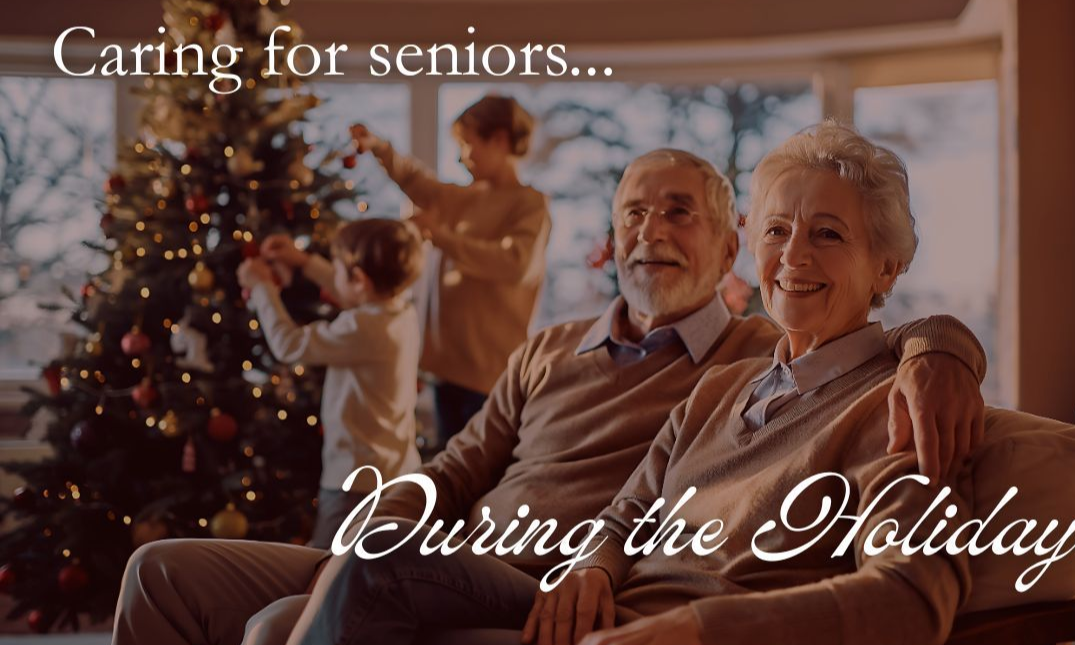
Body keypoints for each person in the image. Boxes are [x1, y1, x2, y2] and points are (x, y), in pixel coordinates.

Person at [276, 146, 988, 645]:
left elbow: (912, 594)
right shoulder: (723, 387)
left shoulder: (900, 403)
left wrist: (937, 341)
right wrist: (593, 561)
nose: (794, 255)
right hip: (559, 596)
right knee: (199, 585)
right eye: (779, 229)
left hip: (613, 618)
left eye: (827, 233)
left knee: (358, 576)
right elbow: (621, 515)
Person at [350, 95, 551, 448]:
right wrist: (379, 147)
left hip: (488, 377)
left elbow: (514, 263)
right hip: (445, 369)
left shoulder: (528, 204)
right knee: (449, 475)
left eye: (468, 146)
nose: (461, 157)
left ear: (500, 141)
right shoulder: (464, 198)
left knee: (479, 480)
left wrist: (439, 236)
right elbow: (417, 182)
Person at [236, 218, 424, 549]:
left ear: (359, 279)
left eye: (337, 269)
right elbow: (353, 290)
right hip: (397, 471)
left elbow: (288, 344)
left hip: (355, 483)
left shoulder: (363, 326)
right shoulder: (400, 312)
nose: (334, 278)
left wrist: (263, 287)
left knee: (327, 565)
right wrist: (305, 262)